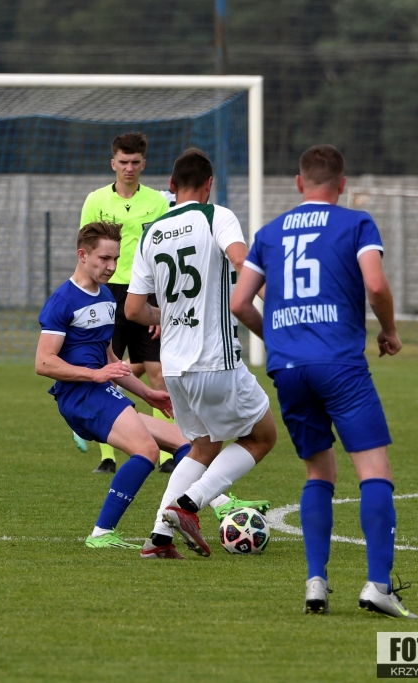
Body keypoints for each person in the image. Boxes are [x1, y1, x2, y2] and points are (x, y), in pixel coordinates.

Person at [232, 144, 416, 618]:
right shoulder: (356, 223)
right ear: (342, 184)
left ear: (299, 183)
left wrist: (277, 340)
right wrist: (390, 331)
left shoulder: (269, 233)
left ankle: (316, 582)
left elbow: (239, 303)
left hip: (289, 369)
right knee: (374, 470)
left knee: (319, 472)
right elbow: (375, 284)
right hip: (339, 363)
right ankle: (378, 585)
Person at [125, 149, 275, 560]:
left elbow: (134, 310)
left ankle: (159, 538)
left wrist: (167, 315)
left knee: (203, 447)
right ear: (209, 185)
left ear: (171, 187)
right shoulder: (216, 216)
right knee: (262, 437)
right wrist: (280, 312)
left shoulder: (151, 232)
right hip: (214, 359)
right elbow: (242, 261)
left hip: (173, 366)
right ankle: (189, 505)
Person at [36, 221, 191, 550]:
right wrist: (94, 374)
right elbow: (44, 362)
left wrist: (148, 393)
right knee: (147, 451)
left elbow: (110, 360)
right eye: (104, 258)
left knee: (182, 441)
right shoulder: (63, 300)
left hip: (99, 392)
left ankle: (214, 508)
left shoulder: (106, 296)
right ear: (83, 255)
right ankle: (102, 533)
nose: (111, 266)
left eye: (116, 259)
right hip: (79, 395)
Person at [77, 132, 174, 474]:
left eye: (135, 162)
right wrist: (84, 295)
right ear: (113, 163)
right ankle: (108, 456)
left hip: (145, 292)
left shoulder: (158, 202)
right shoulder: (96, 200)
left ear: (143, 164)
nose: (129, 167)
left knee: (158, 372)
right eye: (123, 161)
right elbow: (85, 251)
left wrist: (161, 307)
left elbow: (165, 255)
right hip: (107, 293)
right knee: (106, 371)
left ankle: (167, 455)